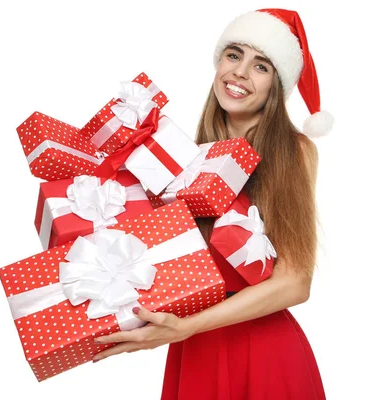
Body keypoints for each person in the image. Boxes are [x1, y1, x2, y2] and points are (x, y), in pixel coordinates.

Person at [92, 8, 333, 399]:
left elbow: (295, 282)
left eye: (261, 66)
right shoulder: (187, 156)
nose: (239, 72)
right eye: (234, 55)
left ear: (277, 84)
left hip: (261, 351)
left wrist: (188, 326)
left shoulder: (294, 151)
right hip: (193, 349)